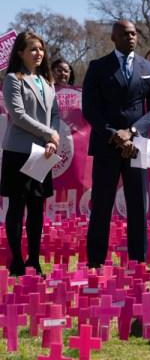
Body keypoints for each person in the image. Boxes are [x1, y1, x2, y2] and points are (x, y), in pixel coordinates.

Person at [82, 20, 150, 269]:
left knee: (138, 204)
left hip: (137, 144)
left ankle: (139, 260)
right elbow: (90, 109)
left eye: (133, 33)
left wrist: (132, 132)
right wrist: (114, 134)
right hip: (107, 144)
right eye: (124, 33)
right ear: (113, 38)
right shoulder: (97, 67)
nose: (130, 37)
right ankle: (95, 261)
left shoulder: (149, 68)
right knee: (102, 204)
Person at [1, 32, 60, 276]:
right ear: (20, 52)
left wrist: (52, 140)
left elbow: (55, 114)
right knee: (17, 207)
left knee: (37, 208)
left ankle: (33, 261)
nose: (38, 53)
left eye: (41, 49)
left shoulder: (47, 81)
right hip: (19, 152)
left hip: (43, 154)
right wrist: (48, 134)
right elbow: (18, 115)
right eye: (32, 49)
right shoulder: (13, 79)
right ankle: (17, 260)